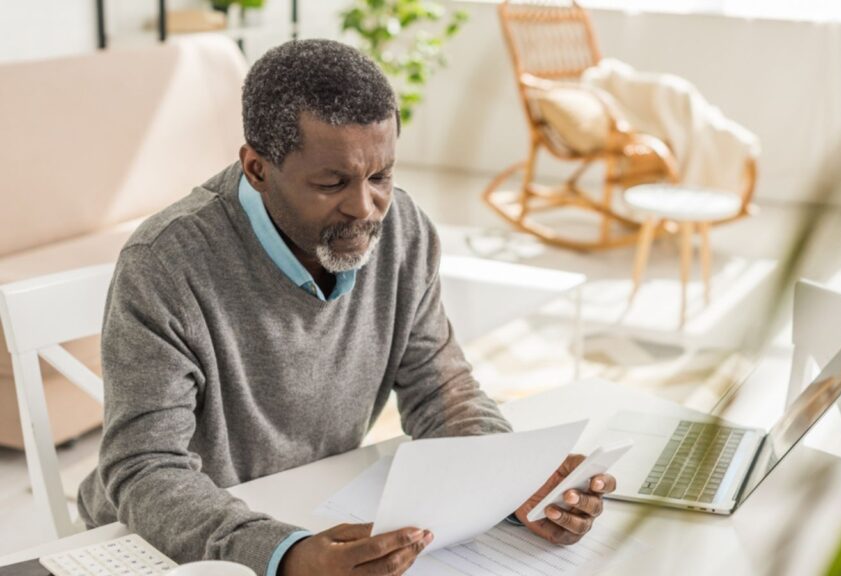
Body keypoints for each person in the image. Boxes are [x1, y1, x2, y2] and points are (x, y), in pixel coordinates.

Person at [77, 39, 616, 576]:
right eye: (332, 182)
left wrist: (511, 485)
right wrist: (283, 554)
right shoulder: (166, 264)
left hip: (310, 505)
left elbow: (441, 388)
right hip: (162, 538)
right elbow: (145, 467)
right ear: (257, 168)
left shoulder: (402, 231)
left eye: (380, 176)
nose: (366, 208)